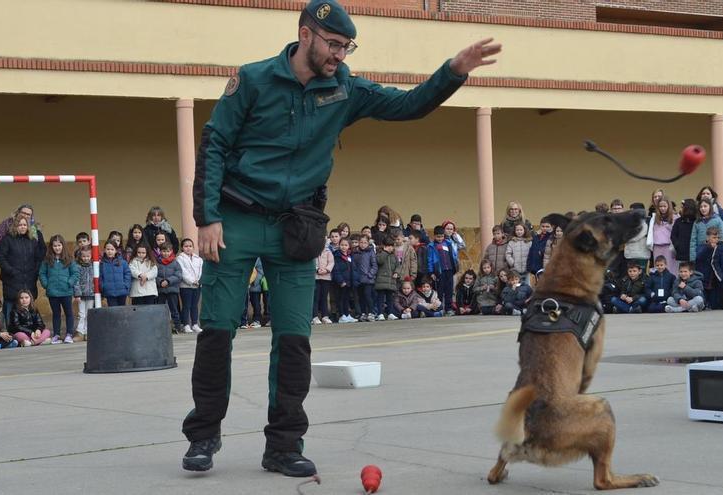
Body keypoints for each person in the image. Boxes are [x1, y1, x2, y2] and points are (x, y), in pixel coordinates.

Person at [183, 0, 500, 475]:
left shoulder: (345, 88)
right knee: (217, 331)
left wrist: (453, 71)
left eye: (346, 46)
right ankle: (204, 435)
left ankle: (284, 445)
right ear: (305, 35)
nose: (340, 55)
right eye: (333, 44)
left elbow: (407, 105)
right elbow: (214, 144)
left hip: (297, 227)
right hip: (238, 219)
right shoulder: (252, 79)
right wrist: (206, 217)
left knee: (294, 339)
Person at [0, 214, 47, 321]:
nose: (23, 227)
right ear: (15, 226)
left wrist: (35, 271)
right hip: (11, 280)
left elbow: (39, 255)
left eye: (24, 225)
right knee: (10, 307)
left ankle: (26, 331)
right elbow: (0, 257)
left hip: (28, 280)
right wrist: (10, 270)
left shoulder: (32, 240)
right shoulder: (7, 240)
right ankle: (9, 334)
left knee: (27, 308)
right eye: (20, 225)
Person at [39, 234, 80, 344]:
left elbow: (75, 273)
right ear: (51, 247)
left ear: (63, 245)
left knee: (69, 313)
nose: (57, 248)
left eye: (59, 245)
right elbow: (42, 273)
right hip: (52, 292)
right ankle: (56, 334)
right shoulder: (47, 260)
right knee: (56, 314)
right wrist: (46, 284)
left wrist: (69, 283)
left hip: (66, 291)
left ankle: (69, 334)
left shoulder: (69, 259)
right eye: (55, 245)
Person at [427, 225, 457, 316]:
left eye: (442, 236)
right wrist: (431, 272)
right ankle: (439, 308)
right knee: (440, 290)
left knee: (449, 290)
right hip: (439, 271)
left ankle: (448, 308)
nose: (440, 239)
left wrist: (455, 266)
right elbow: (430, 260)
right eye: (438, 237)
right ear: (434, 236)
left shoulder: (448, 243)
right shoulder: (431, 246)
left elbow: (453, 255)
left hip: (449, 270)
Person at [178, 238, 204, 333]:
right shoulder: (180, 258)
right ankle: (186, 324)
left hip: (197, 285)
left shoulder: (199, 259)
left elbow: (201, 271)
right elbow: (183, 272)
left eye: (190, 246)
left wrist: (198, 281)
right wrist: (192, 281)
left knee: (194, 305)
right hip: (186, 286)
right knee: (186, 305)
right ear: (182, 248)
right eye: (186, 246)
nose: (188, 248)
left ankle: (195, 324)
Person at [647, 197, 679, 276]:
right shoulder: (655, 218)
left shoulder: (675, 217)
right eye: (661, 206)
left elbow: (676, 232)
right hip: (657, 246)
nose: (663, 208)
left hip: (669, 247)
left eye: (665, 206)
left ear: (669, 206)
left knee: (670, 268)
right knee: (658, 267)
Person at [157, 243, 183, 332]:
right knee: (160, 309)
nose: (166, 253)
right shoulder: (157, 263)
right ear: (160, 252)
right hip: (161, 290)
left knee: (174, 309)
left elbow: (178, 275)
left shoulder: (175, 263)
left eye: (168, 251)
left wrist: (168, 281)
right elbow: (155, 275)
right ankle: (160, 327)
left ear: (171, 251)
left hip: (172, 290)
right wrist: (160, 281)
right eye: (163, 251)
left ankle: (177, 326)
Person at [331, 238, 358, 323]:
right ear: (339, 245)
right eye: (342, 245)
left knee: (346, 299)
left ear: (349, 246)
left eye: (346, 245)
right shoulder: (336, 256)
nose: (343, 247)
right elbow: (336, 270)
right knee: (340, 299)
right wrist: (341, 281)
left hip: (349, 281)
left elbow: (353, 269)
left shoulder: (350, 256)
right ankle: (342, 315)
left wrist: (354, 280)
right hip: (341, 282)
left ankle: (347, 314)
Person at [352, 235, 377, 322]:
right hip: (359, 279)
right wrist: (356, 277)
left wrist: (370, 275)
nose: (363, 244)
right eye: (361, 242)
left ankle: (371, 312)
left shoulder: (370, 252)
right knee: (361, 297)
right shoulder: (355, 253)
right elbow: (353, 266)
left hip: (368, 279)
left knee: (368, 295)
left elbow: (374, 265)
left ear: (368, 243)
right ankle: (363, 313)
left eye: (365, 242)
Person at [695, 227, 721, 310]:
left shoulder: (719, 247)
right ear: (707, 238)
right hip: (704, 279)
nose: (716, 240)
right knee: (703, 302)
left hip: (714, 280)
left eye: (717, 238)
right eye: (713, 237)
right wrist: (709, 247)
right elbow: (698, 257)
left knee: (715, 305)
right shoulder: (701, 247)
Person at [374, 237, 399, 321]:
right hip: (381, 280)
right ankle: (380, 313)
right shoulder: (380, 254)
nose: (391, 248)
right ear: (384, 246)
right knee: (380, 298)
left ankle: (390, 313)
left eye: (392, 246)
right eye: (388, 246)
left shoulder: (394, 256)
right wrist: (385, 252)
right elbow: (379, 261)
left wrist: (396, 272)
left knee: (390, 298)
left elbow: (398, 266)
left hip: (391, 280)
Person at [73, 248, 95, 341]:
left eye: (88, 256)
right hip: (81, 295)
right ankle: (80, 332)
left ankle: (87, 332)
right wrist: (77, 294)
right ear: (80, 257)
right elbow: (76, 281)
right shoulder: (78, 266)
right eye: (84, 256)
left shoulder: (94, 266)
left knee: (89, 313)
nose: (86, 258)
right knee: (82, 314)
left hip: (91, 293)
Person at [99, 241, 130, 307]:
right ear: (104, 250)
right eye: (108, 249)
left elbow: (127, 274)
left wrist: (126, 285)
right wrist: (103, 287)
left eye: (112, 249)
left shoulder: (123, 262)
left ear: (116, 250)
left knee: (121, 311)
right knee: (113, 312)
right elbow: (100, 276)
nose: (110, 251)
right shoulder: (102, 264)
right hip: (109, 292)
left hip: (122, 291)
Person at [312, 240, 335, 325]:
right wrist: (317, 269)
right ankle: (314, 316)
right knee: (316, 297)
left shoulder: (328, 251)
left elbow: (331, 262)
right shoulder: (313, 251)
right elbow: (312, 262)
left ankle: (325, 316)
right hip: (316, 277)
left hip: (326, 277)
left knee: (324, 298)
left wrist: (326, 270)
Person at [624, 203, 650, 272]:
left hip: (641, 255)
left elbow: (634, 237)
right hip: (630, 255)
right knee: (631, 275)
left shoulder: (643, 223)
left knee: (641, 275)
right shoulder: (628, 223)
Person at [671, 199, 697, 268]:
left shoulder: (696, 221)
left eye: (682, 207)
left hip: (694, 253)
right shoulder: (678, 221)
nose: (680, 209)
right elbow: (673, 235)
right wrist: (677, 245)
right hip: (681, 254)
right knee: (682, 273)